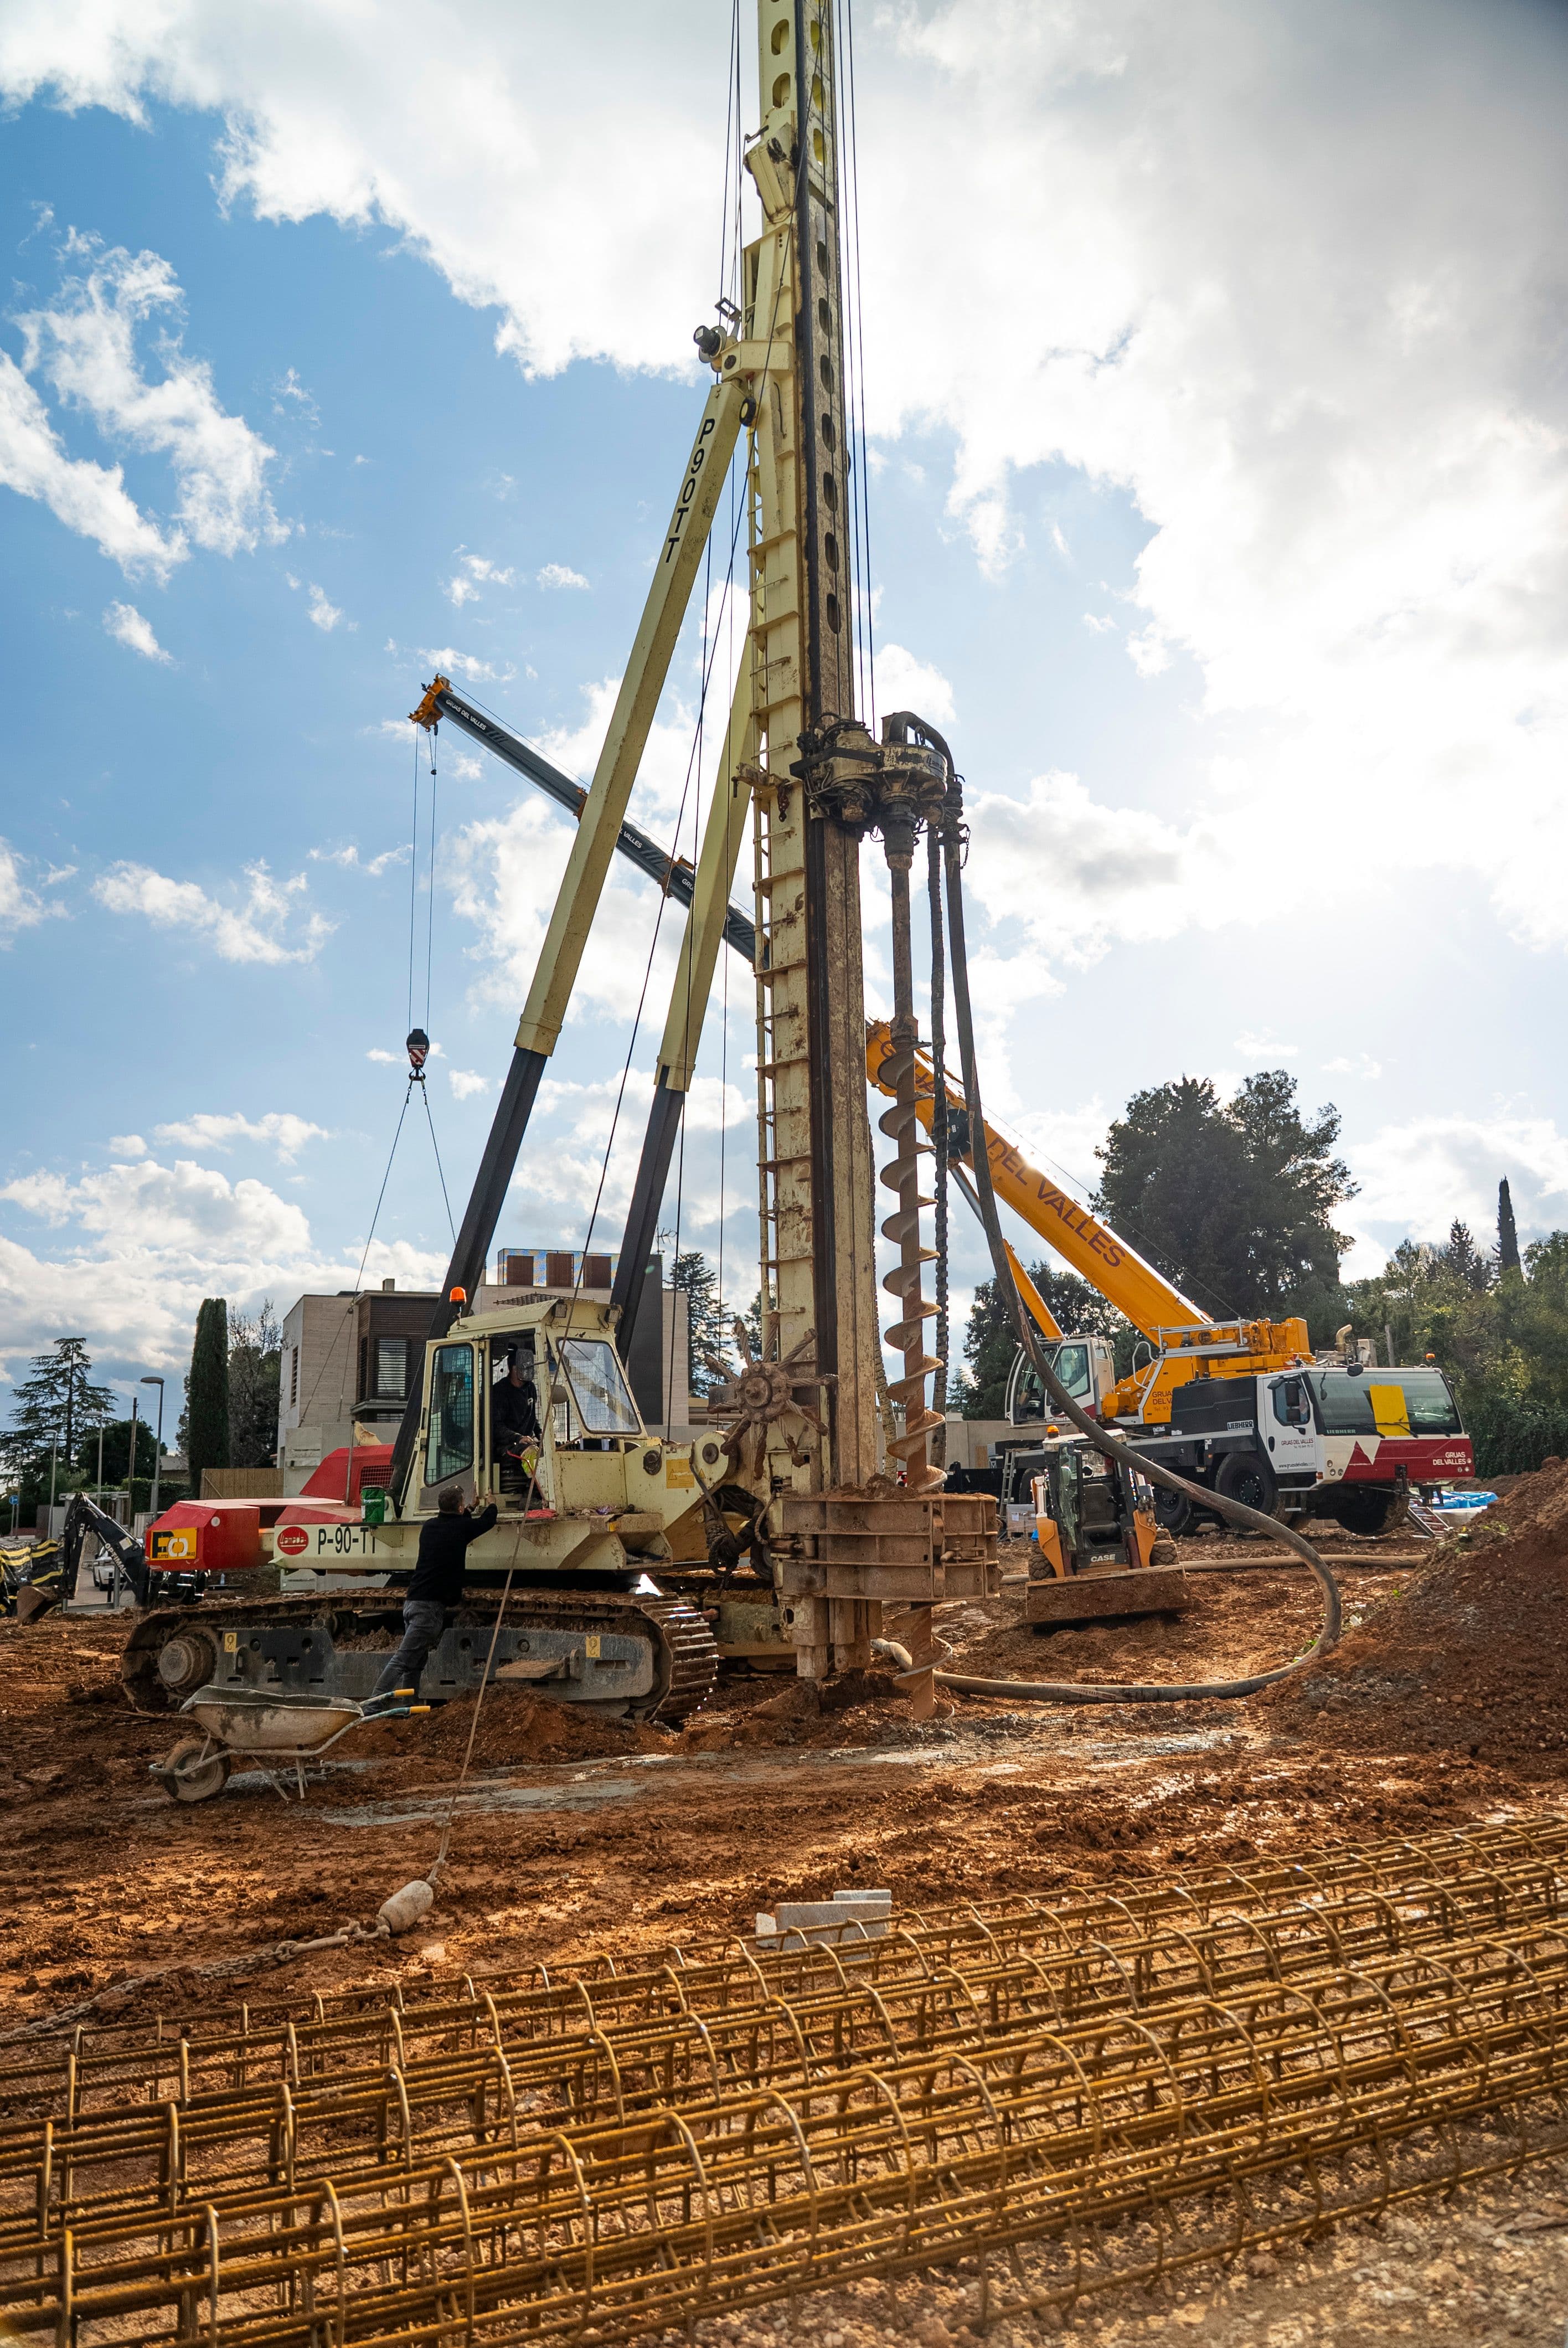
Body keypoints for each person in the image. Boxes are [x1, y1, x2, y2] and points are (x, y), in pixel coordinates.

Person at [370, 1487, 497, 1702]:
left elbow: (457, 1525)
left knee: (415, 1663)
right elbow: (487, 1522)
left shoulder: (429, 1527)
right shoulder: (461, 1527)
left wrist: (471, 1507)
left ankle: (408, 1707)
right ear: (459, 1507)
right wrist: (492, 1503)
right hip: (428, 1610)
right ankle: (373, 1705)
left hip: (413, 1603)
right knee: (403, 1660)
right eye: (462, 1505)